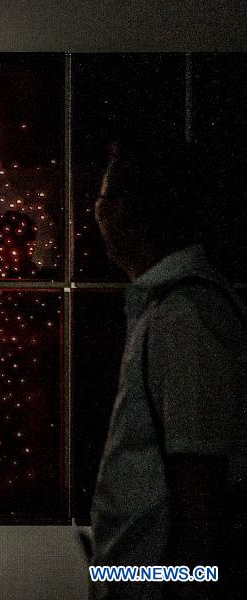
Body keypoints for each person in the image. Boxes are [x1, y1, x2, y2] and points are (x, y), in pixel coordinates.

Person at [89, 139, 247, 600]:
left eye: (101, 200)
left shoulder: (185, 314)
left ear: (130, 210)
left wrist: (171, 585)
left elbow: (200, 483)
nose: (96, 215)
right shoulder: (173, 307)